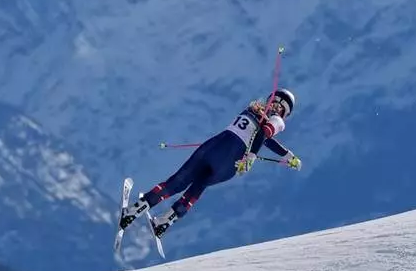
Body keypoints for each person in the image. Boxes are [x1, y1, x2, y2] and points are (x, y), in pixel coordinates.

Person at [121, 88, 302, 238]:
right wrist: (284, 156)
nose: (275, 108)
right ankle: (164, 222)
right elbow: (264, 137)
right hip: (230, 164)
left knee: (178, 182)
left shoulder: (253, 110)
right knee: (198, 186)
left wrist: (263, 155)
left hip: (216, 146)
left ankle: (136, 209)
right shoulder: (274, 119)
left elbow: (263, 135)